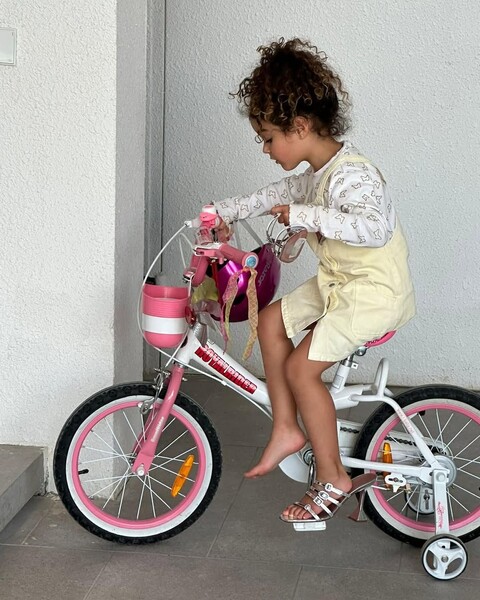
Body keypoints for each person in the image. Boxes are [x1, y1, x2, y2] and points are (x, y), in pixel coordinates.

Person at [212, 38, 416, 523]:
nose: (266, 148)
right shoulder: (314, 174)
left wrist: (307, 216)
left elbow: (375, 228)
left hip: (372, 291)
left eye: (268, 137)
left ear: (300, 126)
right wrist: (219, 213)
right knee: (269, 322)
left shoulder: (352, 174)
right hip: (340, 283)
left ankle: (333, 477)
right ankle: (287, 427)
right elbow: (268, 196)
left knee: (302, 370)